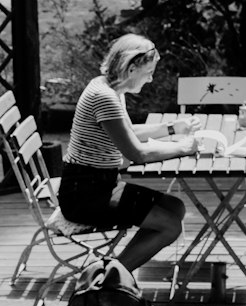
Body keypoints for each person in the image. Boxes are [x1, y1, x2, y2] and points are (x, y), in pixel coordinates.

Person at [58, 34, 203, 276]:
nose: (151, 79)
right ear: (131, 68)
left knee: (174, 206)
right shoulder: (105, 98)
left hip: (99, 185)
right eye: (148, 72)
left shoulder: (109, 86)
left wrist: (172, 128)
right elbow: (136, 153)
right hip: (85, 195)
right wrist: (185, 147)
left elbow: (128, 132)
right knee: (170, 226)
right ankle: (110, 277)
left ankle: (117, 267)